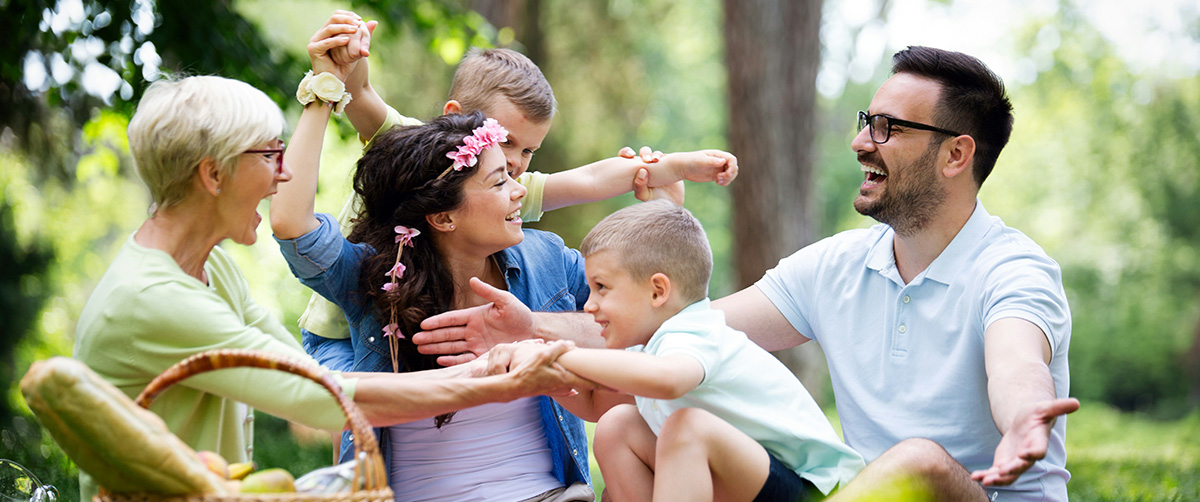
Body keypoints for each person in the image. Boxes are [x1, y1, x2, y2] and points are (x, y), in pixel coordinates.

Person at [418, 46, 1081, 501]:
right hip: (861, 491)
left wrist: (1026, 419)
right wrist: (531, 325)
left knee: (918, 457)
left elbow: (1016, 365)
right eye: (863, 123)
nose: (859, 142)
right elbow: (679, 326)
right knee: (626, 420)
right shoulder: (840, 265)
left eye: (886, 128)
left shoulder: (1011, 269)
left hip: (962, 490)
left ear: (956, 154)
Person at [72, 73, 577, 502]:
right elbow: (317, 396)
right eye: (270, 154)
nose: (284, 173)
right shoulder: (155, 300)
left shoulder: (213, 269)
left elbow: (299, 370)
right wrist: (493, 380)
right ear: (213, 174)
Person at [298, 11, 738, 369]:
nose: (515, 163)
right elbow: (359, 92)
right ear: (457, 114)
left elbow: (586, 181)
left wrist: (670, 167)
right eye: (507, 141)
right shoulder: (410, 145)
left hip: (410, 326)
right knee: (356, 416)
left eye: (529, 151)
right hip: (337, 326)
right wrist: (351, 50)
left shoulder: (507, 188)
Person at [485, 200, 864, 501]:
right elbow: (590, 404)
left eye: (602, 288)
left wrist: (557, 355)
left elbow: (668, 381)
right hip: (751, 483)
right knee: (617, 426)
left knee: (688, 427)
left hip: (815, 491)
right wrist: (540, 373)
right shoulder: (654, 347)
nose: (589, 304)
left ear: (658, 291)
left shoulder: (694, 331)